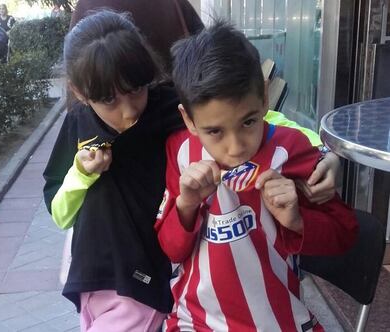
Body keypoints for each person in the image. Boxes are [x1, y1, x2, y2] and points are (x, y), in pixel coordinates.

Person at [44, 10, 342, 332]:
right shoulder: (78, 123)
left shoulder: (168, 108)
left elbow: (257, 120)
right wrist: (81, 173)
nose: (128, 111)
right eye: (108, 100)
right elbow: (60, 214)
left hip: (139, 277)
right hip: (90, 274)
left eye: (135, 90)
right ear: (79, 93)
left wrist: (326, 153)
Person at [154, 21, 358, 331]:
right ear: (188, 119)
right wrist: (186, 204)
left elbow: (345, 233)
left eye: (248, 122)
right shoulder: (179, 152)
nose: (235, 147)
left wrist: (297, 221)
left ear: (264, 97)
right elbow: (170, 249)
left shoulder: (292, 148)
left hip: (278, 320)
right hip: (194, 321)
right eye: (214, 131)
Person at [69, 0, 204, 72]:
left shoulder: (87, 5)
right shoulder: (174, 3)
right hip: (178, 107)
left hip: (109, 113)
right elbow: (205, 50)